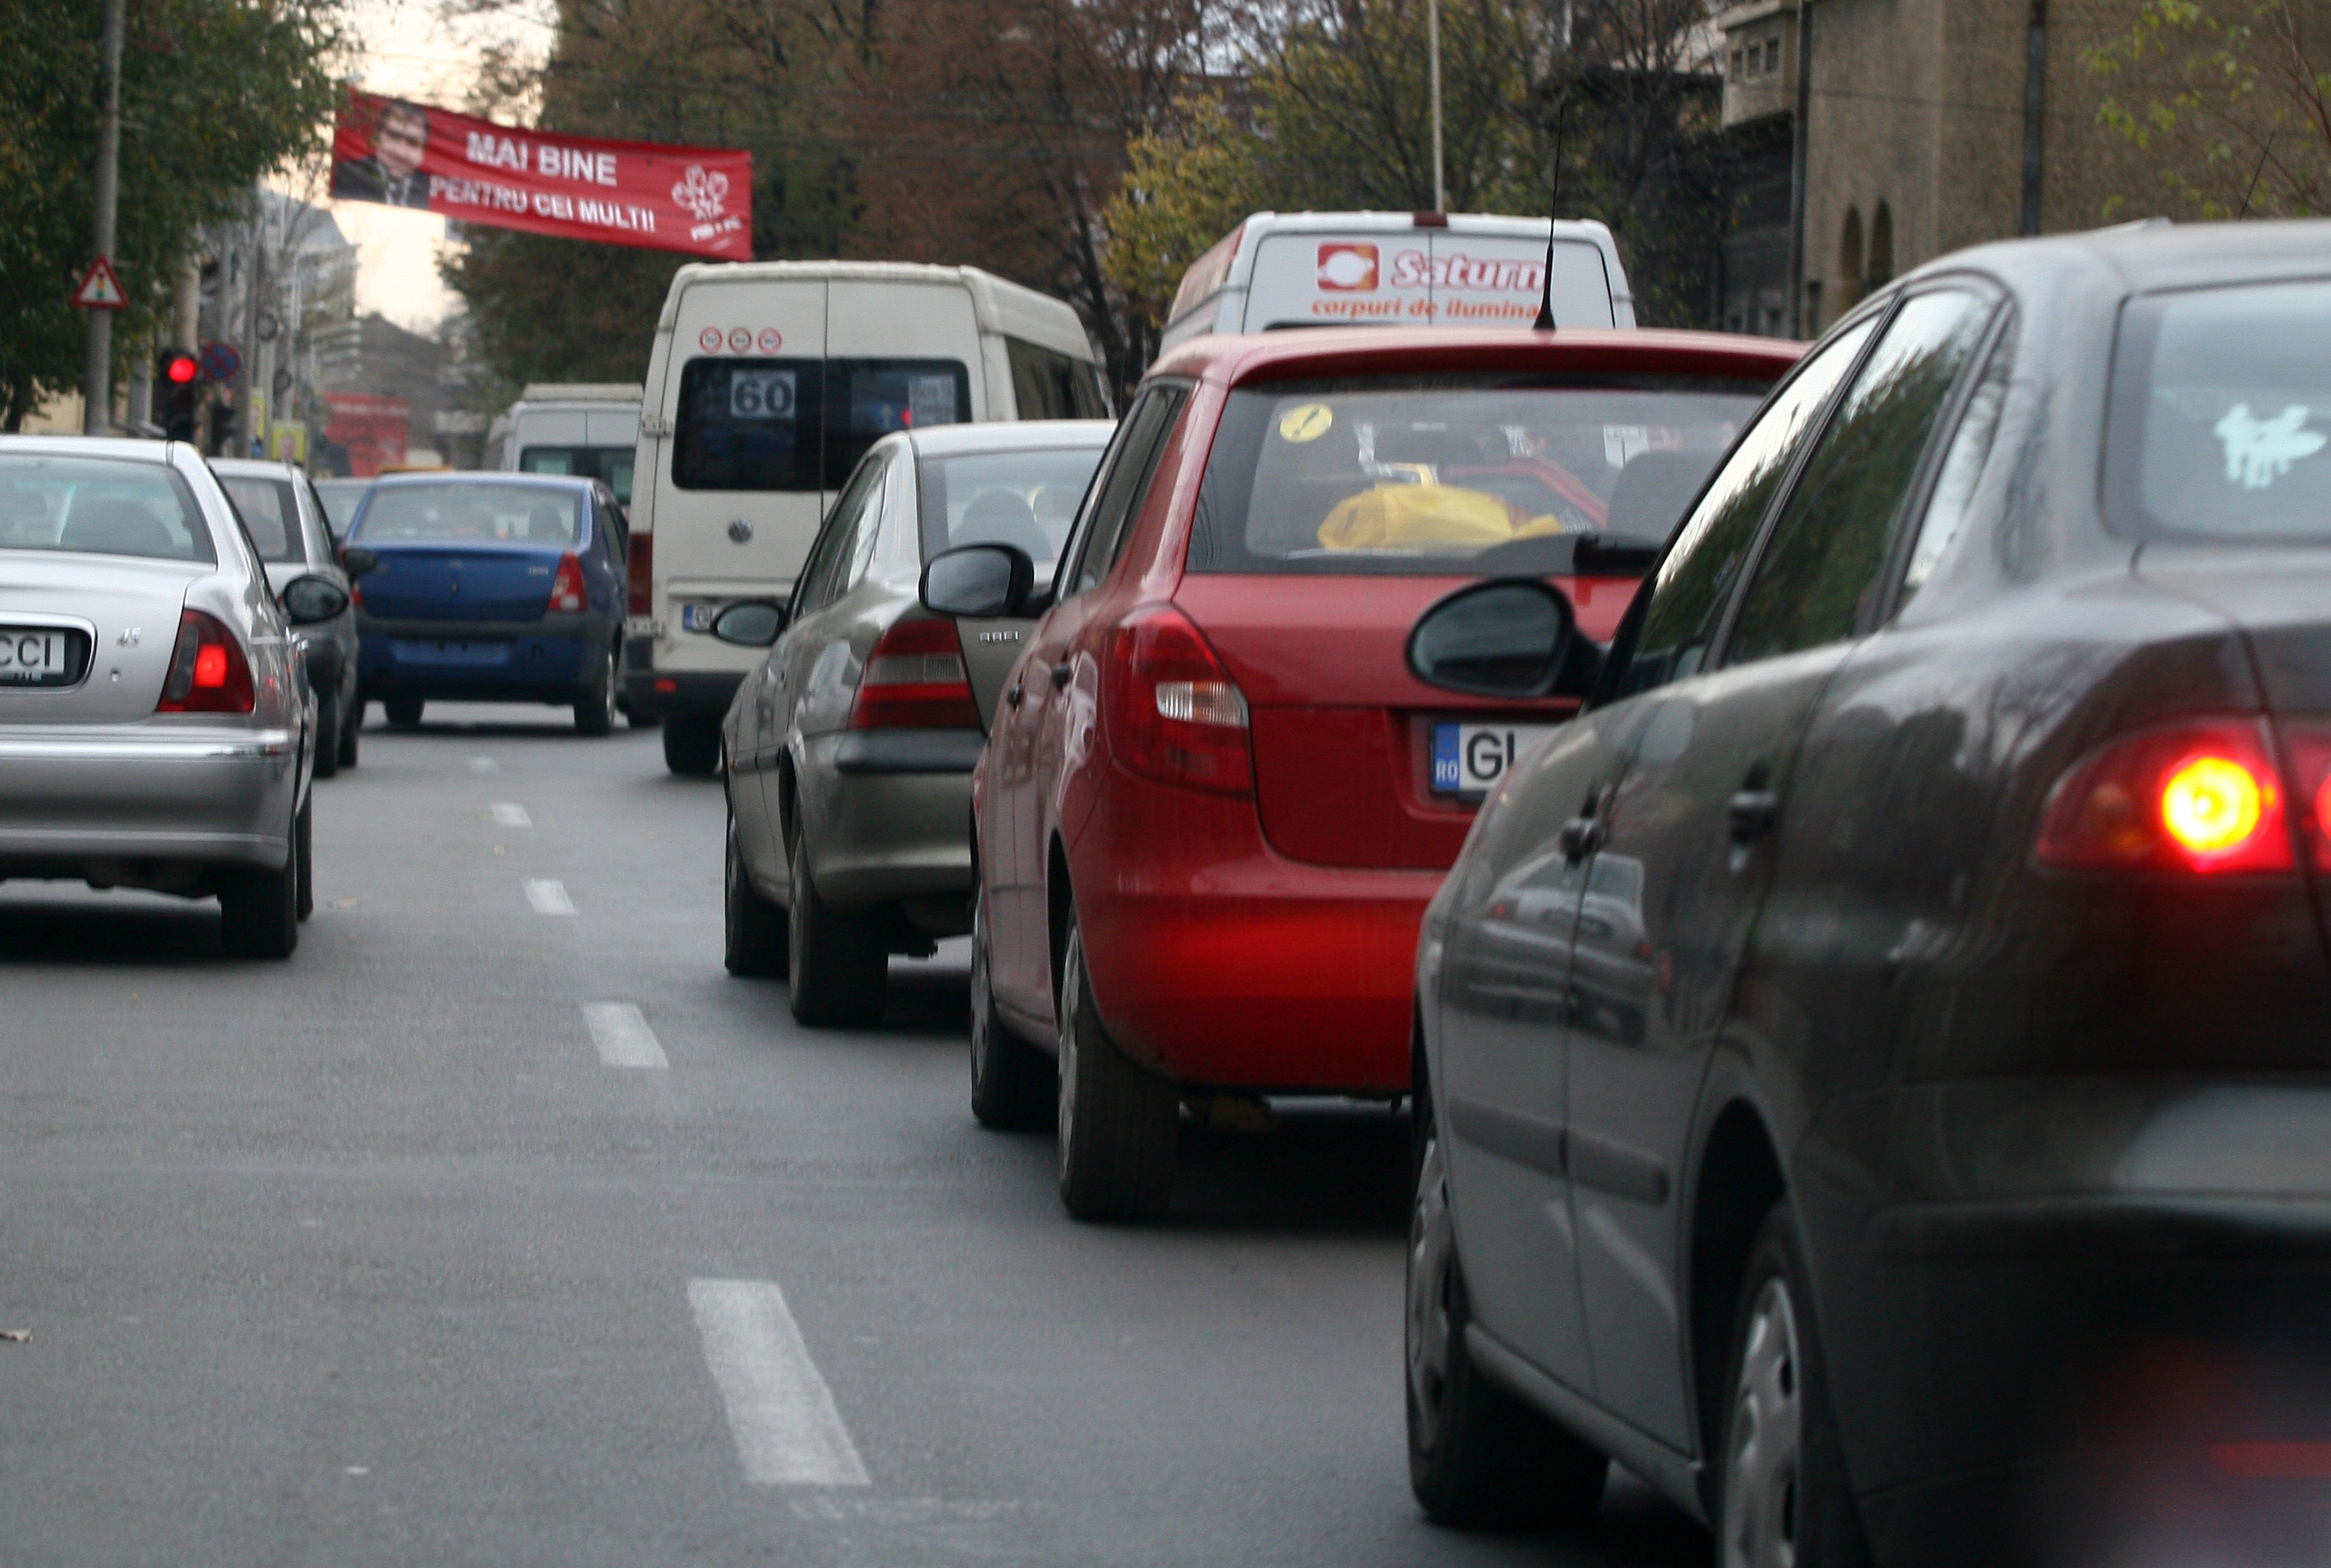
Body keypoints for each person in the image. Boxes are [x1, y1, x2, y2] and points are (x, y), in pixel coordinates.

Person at [332, 101, 432, 210]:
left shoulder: (429, 188)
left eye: (413, 142)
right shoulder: (347, 176)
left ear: (423, 150)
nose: (400, 151)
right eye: (394, 136)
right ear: (378, 137)